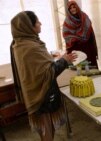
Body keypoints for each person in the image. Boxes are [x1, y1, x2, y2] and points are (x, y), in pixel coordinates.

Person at [10, 11, 76, 141]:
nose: (40, 23)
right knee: (46, 126)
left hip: (32, 92)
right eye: (37, 21)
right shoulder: (31, 47)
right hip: (41, 94)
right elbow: (48, 72)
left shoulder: (19, 43)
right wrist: (65, 61)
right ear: (29, 26)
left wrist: (54, 59)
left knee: (43, 126)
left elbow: (37, 67)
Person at [63, 0, 98, 67]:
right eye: (70, 8)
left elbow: (90, 31)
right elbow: (66, 35)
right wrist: (75, 38)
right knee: (79, 70)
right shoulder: (67, 21)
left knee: (90, 68)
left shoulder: (84, 17)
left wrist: (93, 48)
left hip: (87, 47)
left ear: (77, 7)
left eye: (74, 7)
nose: (72, 9)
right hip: (76, 48)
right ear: (68, 10)